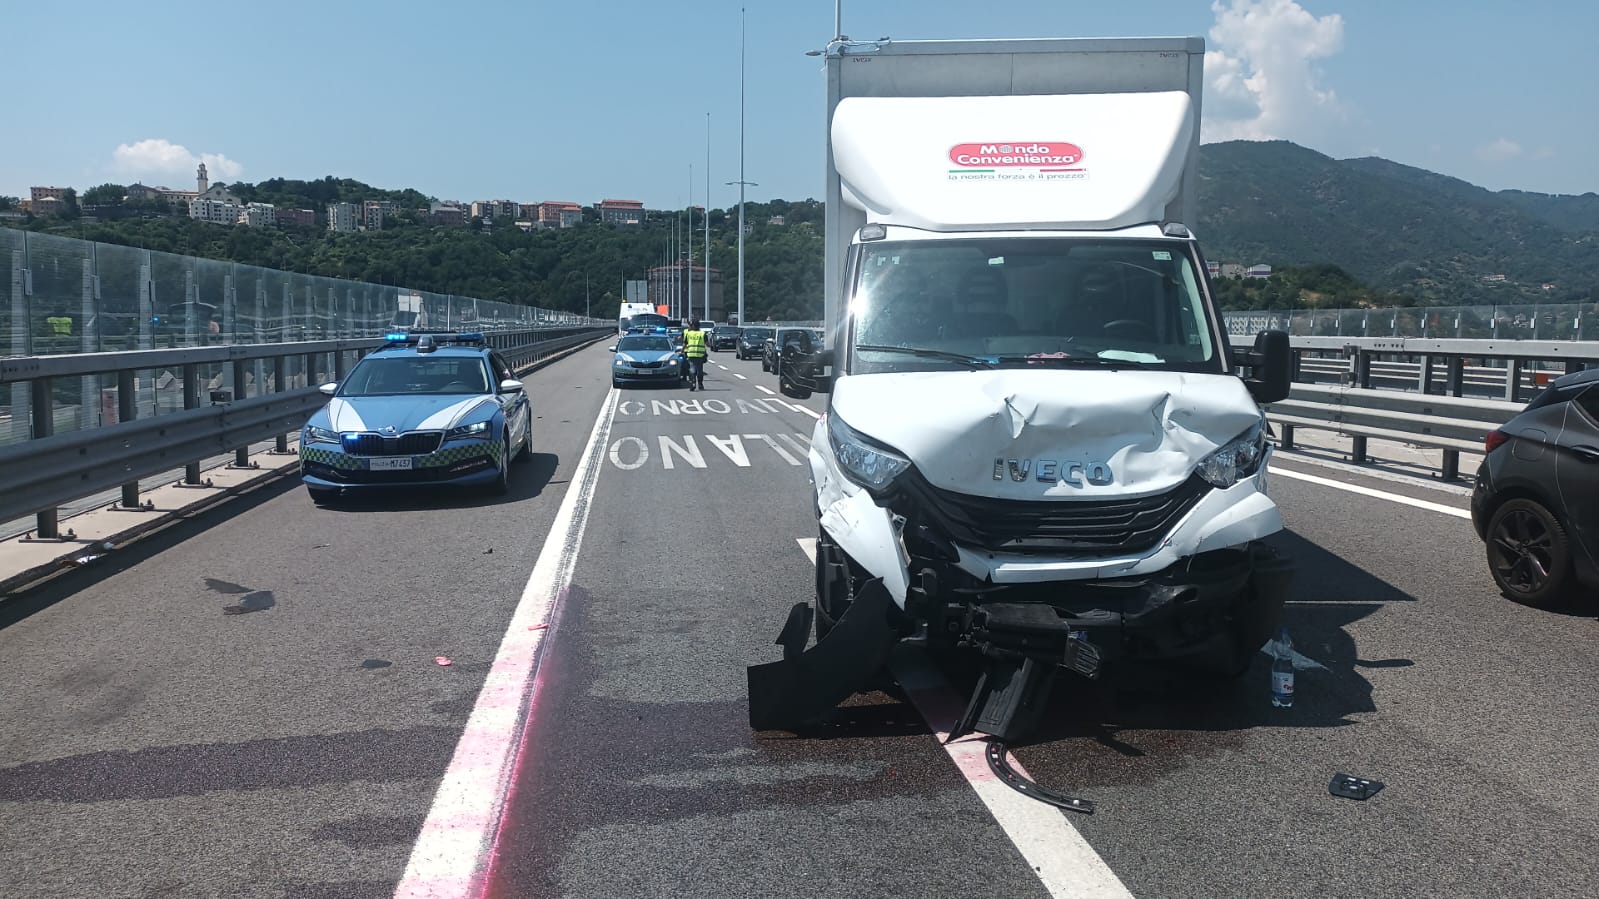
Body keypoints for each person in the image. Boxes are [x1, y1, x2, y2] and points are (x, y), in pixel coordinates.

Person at [682, 318, 709, 391]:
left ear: (692, 326)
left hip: (691, 354)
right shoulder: (702, 333)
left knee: (692, 369)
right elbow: (708, 344)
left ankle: (693, 383)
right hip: (700, 355)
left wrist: (682, 351)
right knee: (700, 370)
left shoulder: (689, 333)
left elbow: (685, 344)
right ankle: (700, 384)